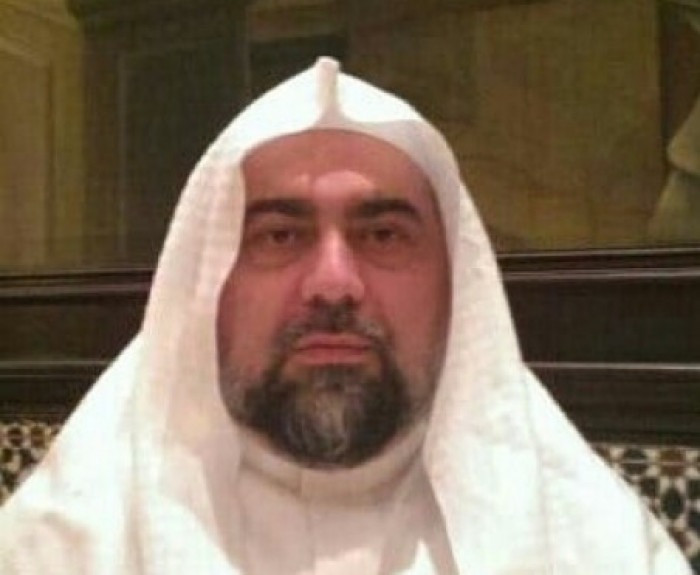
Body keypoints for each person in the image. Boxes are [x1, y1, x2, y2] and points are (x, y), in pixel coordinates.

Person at [0, 58, 691, 575]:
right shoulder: (61, 542)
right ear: (207, 286)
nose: (334, 284)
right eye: (279, 235)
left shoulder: (592, 543)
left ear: (457, 287)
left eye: (384, 234)